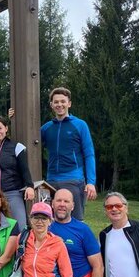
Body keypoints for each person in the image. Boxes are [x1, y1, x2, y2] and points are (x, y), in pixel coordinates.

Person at [40, 87, 97, 220]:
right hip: (50, 181)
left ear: (69, 103)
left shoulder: (80, 125)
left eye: (63, 101)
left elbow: (89, 154)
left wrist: (91, 182)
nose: (59, 104)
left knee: (75, 220)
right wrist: (12, 118)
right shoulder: (47, 128)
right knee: (48, 220)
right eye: (56, 102)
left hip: (73, 179)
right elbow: (29, 141)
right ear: (51, 105)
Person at [0, 115, 35, 230]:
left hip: (13, 193)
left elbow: (24, 170)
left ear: (6, 128)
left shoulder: (17, 147)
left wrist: (30, 186)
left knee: (20, 226)